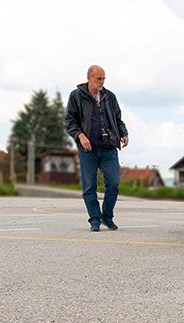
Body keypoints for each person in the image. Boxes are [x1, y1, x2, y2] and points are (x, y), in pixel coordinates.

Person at [64, 65, 129, 231]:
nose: (102, 82)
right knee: (89, 186)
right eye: (99, 79)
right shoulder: (76, 96)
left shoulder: (109, 96)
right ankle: (94, 219)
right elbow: (69, 121)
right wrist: (80, 135)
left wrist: (123, 133)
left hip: (108, 148)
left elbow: (118, 118)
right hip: (88, 149)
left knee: (113, 183)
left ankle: (107, 217)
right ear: (89, 77)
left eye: (104, 79)